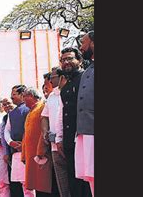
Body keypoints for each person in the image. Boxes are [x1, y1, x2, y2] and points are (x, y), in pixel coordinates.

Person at [59, 48, 91, 197]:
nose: (66, 62)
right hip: (70, 140)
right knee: (74, 178)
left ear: (79, 60)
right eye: (63, 60)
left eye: (70, 58)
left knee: (87, 178)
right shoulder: (64, 88)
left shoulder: (86, 78)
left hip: (85, 136)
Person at [41, 67, 71, 197]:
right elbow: (44, 116)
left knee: (74, 175)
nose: (50, 81)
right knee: (61, 179)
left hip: (68, 141)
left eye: (52, 77)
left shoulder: (69, 91)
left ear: (61, 77)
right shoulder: (52, 96)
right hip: (54, 144)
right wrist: (44, 131)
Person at [4, 85, 33, 197]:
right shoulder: (11, 113)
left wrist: (24, 144)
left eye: (14, 95)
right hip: (16, 151)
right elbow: (7, 131)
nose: (12, 97)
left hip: (28, 151)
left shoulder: (31, 109)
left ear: (22, 95)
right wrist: (11, 142)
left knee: (29, 183)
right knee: (22, 182)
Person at [76, 31, 94, 196]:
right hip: (86, 132)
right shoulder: (88, 69)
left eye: (83, 42)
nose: (81, 47)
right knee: (91, 178)